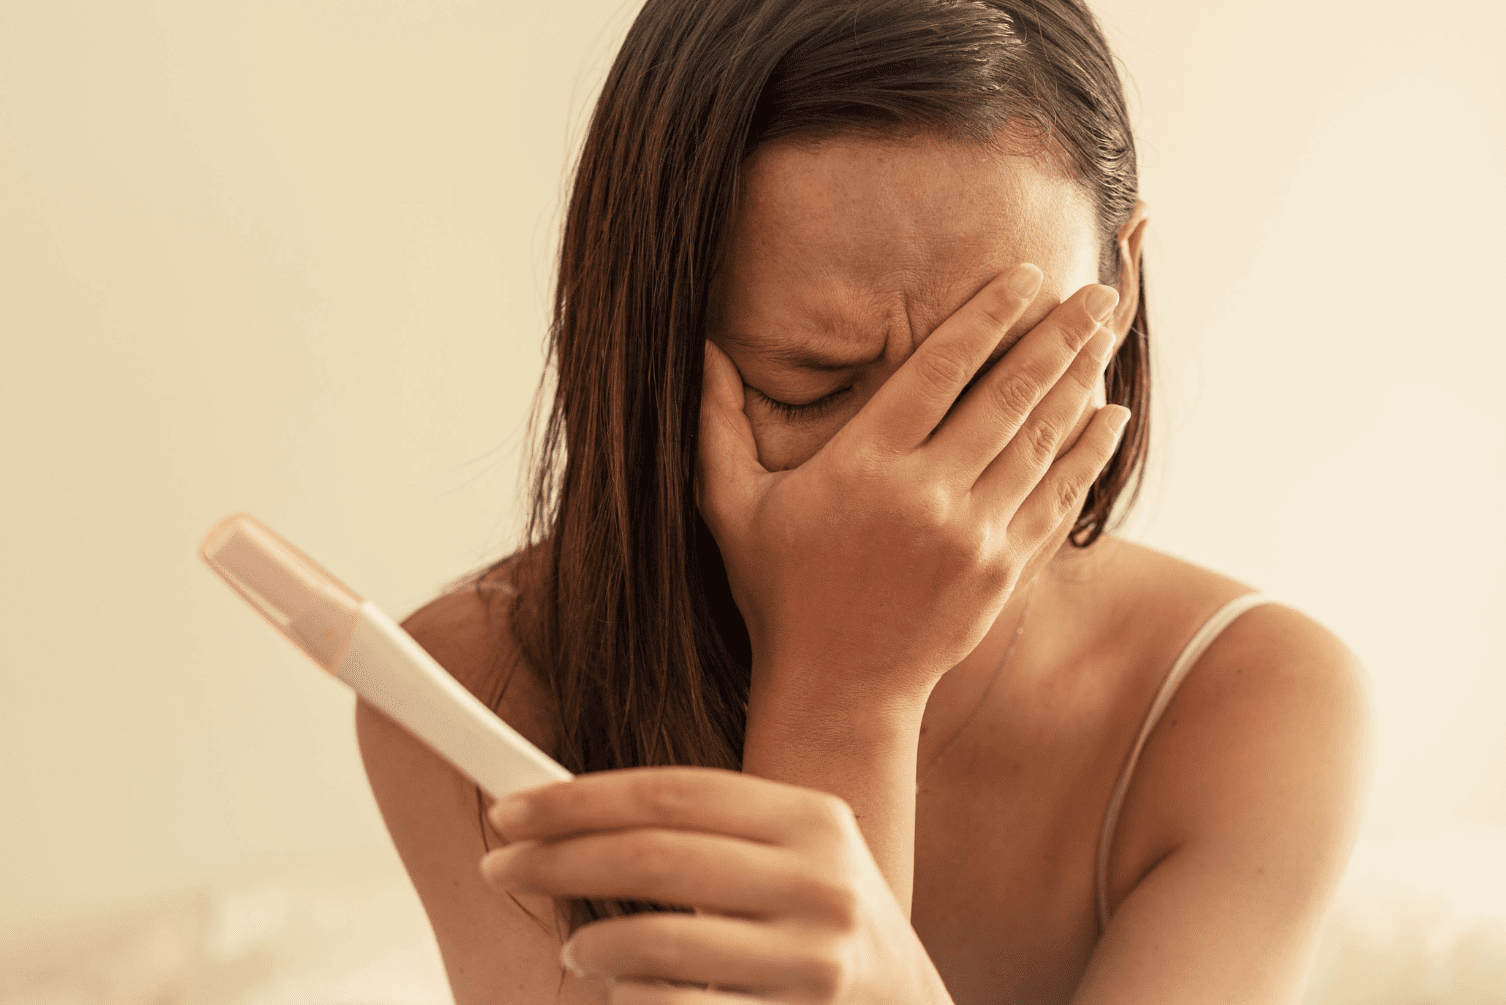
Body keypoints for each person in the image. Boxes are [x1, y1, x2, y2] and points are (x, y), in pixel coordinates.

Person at [355, 1, 1373, 1001]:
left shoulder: (1248, 707)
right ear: (651, 342)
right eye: (811, 385)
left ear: (1122, 285)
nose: (913, 497)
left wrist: (852, 712)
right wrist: (839, 698)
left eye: (999, 374)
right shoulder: (468, 694)